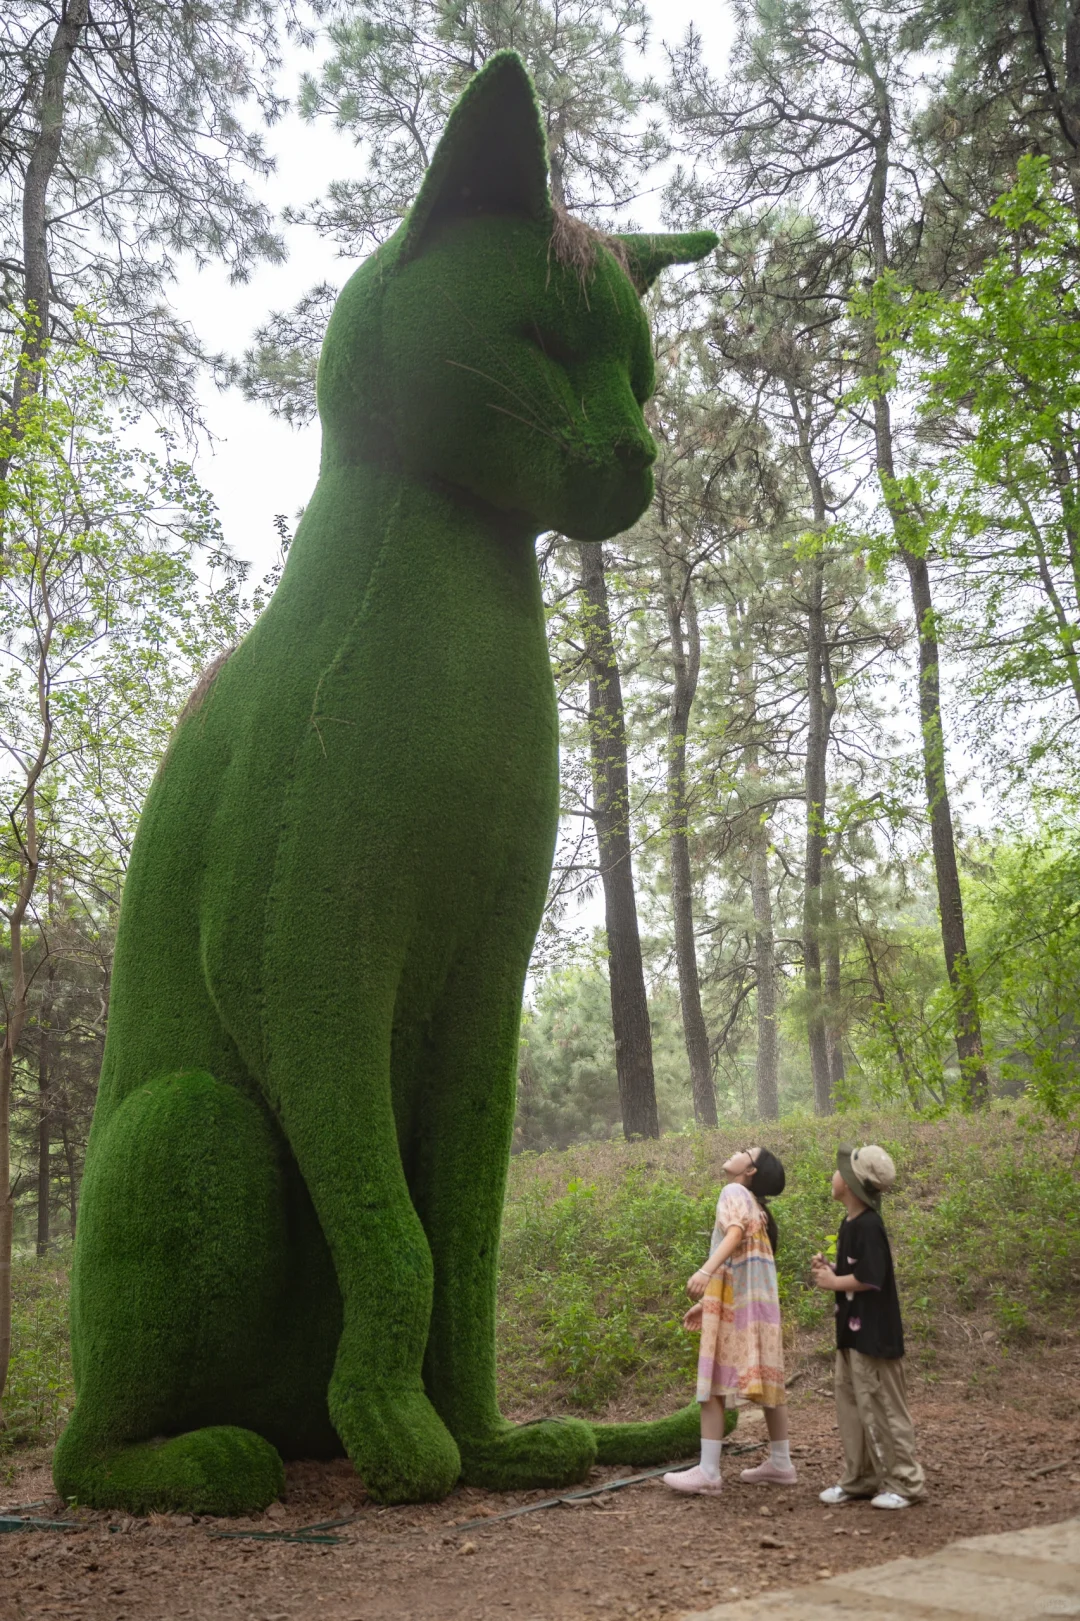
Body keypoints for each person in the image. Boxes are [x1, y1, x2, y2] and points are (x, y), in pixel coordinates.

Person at [663, 1146, 793, 1496]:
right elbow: (740, 1257)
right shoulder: (757, 1207)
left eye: (744, 1151)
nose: (736, 1151)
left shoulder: (734, 1192)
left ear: (750, 1171)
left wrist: (704, 1273)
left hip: (736, 1305)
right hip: (758, 1304)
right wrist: (708, 1302)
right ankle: (781, 1462)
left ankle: (708, 1472)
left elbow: (733, 1233)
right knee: (769, 1379)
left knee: (714, 1381)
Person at [810, 1144, 926, 1510]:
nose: (834, 1175)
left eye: (839, 1170)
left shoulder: (869, 1225)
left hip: (874, 1336)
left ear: (850, 1183)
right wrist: (831, 1272)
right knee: (852, 1404)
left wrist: (833, 1282)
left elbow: (870, 1277)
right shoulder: (850, 1223)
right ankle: (861, 1477)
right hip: (851, 1332)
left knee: (883, 1407)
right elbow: (853, 1274)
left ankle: (905, 1483)